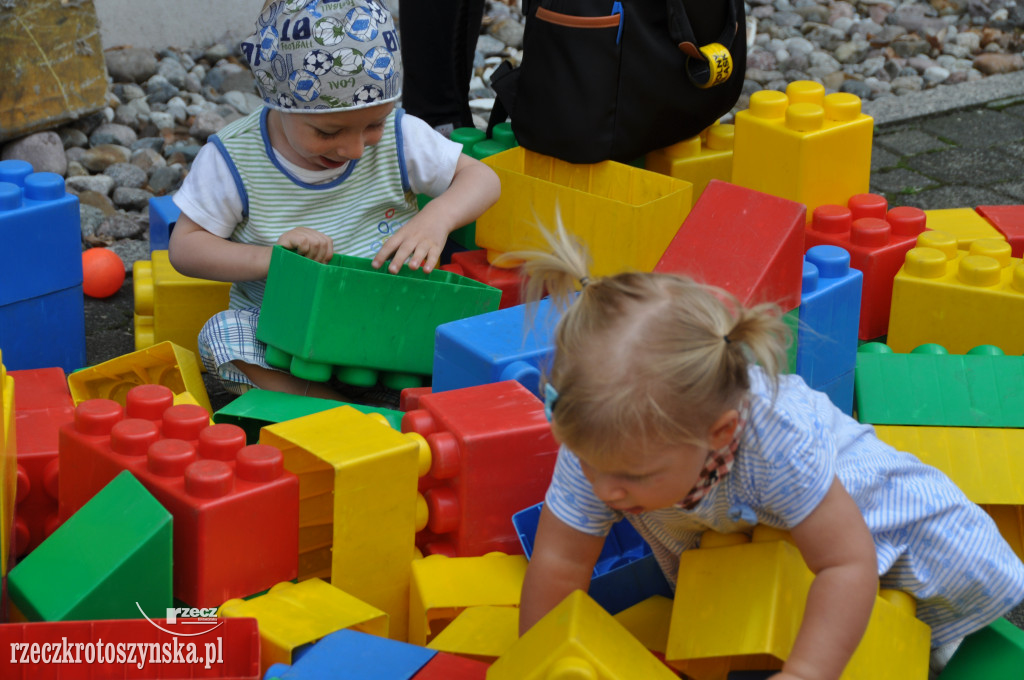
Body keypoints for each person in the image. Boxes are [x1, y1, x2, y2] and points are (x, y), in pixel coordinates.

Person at [512, 225, 1024, 679]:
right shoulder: (598, 435)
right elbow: (559, 561)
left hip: (894, 538)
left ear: (719, 432)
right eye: (587, 465)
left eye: (632, 475)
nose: (604, 488)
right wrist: (540, 659)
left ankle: (936, 647)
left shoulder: (775, 440)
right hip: (772, 555)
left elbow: (848, 565)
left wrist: (805, 672)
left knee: (907, 640)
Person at [168, 0, 501, 401]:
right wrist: (270, 259)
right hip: (288, 331)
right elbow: (185, 247)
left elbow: (482, 178)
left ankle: (407, 396)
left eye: (373, 125)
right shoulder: (234, 158)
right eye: (328, 132)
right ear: (277, 102)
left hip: (392, 316)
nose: (355, 149)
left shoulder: (398, 135)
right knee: (221, 336)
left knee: (477, 328)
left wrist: (437, 218)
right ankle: (327, 406)